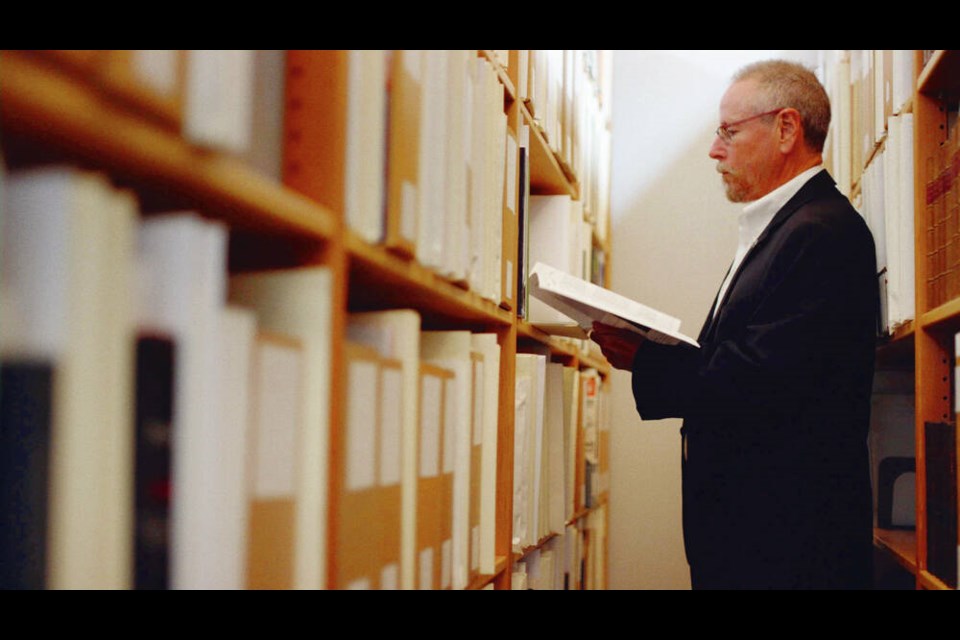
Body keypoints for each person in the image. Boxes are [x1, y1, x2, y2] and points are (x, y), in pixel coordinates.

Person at [591, 59, 879, 589]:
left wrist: (646, 356)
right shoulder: (788, 227)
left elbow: (762, 378)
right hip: (755, 542)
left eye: (728, 132)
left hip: (788, 553)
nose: (714, 150)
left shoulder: (824, 232)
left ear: (787, 128)